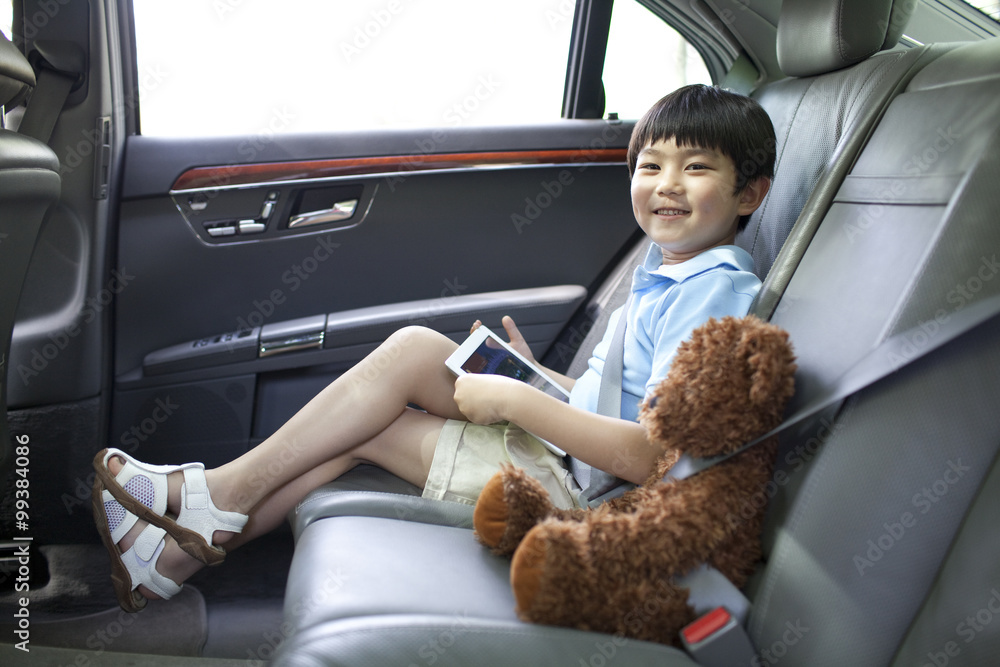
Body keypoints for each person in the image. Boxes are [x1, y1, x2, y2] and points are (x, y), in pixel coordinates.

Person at [92, 83, 776, 612]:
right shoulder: (671, 270)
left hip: (582, 495)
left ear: (750, 193)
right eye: (650, 164)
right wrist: (544, 378)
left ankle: (206, 504)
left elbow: (651, 453)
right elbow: (629, 397)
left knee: (383, 398)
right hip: (574, 457)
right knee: (407, 362)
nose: (666, 184)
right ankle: (181, 546)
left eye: (696, 168)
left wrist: (515, 398)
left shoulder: (711, 290)